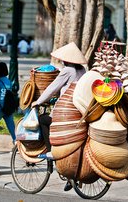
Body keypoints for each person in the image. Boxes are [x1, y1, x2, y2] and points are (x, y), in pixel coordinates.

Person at [31, 42, 87, 192]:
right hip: (80, 112)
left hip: (66, 114)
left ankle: (51, 151)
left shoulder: (67, 71)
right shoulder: (83, 70)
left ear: (67, 59)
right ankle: (70, 175)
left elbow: (52, 88)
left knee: (43, 119)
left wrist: (38, 101)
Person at [0, 62, 16, 144]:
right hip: (8, 108)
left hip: (0, 108)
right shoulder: (9, 81)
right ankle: (16, 143)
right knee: (11, 127)